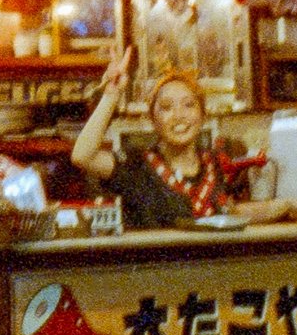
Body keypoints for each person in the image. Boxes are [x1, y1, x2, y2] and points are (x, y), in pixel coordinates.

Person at [72, 48, 281, 229]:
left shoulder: (214, 162)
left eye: (189, 105)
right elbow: (83, 156)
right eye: (166, 107)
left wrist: (284, 206)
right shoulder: (136, 166)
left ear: (202, 115)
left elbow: (229, 211)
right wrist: (112, 94)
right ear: (153, 119)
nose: (179, 114)